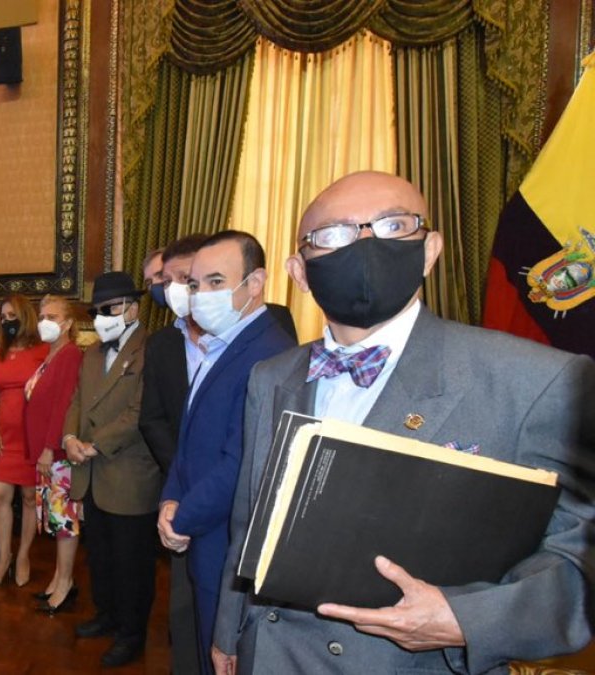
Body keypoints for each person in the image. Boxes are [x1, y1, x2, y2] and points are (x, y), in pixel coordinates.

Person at [212, 171, 595, 674]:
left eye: (392, 226)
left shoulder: (537, 380)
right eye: (334, 235)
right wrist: (228, 634)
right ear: (300, 273)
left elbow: (581, 555)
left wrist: (466, 619)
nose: (365, 244)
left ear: (430, 250)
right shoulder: (271, 377)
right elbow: (249, 521)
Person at [157, 231, 297, 673]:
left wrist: (181, 517)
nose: (201, 296)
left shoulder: (270, 356)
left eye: (217, 282)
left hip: (227, 548)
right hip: (203, 536)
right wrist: (169, 497)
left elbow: (241, 464)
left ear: (255, 283)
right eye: (195, 285)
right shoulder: (221, 345)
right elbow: (189, 437)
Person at [62, 271, 162, 668]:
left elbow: (142, 411)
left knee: (131, 563)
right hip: (89, 473)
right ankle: (106, 614)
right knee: (100, 555)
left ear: (134, 308)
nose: (104, 316)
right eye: (98, 310)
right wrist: (69, 438)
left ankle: (131, 633)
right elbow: (76, 401)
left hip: (128, 473)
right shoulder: (90, 353)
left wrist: (94, 443)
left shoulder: (151, 351)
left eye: (112, 308)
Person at [138, 234, 205, 674]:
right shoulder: (162, 343)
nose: (163, 288)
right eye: (156, 283)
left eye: (169, 277)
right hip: (180, 488)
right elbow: (152, 418)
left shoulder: (254, 331)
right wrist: (182, 473)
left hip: (233, 490)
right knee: (184, 606)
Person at [0, 294, 48, 587]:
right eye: (4, 316)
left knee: (28, 498)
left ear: (26, 317)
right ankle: (3, 558)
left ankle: (23, 555)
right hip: (2, 439)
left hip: (31, 437)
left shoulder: (44, 350)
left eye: (13, 315)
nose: (8, 321)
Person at [24, 295, 83, 612]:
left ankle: (66, 583)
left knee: (64, 522)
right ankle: (59, 578)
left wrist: (48, 448)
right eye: (42, 315)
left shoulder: (71, 354)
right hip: (45, 455)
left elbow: (64, 406)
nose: (44, 321)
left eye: (52, 316)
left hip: (57, 455)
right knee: (55, 521)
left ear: (69, 323)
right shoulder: (51, 354)